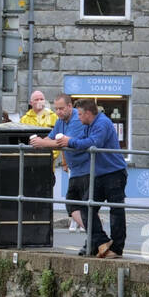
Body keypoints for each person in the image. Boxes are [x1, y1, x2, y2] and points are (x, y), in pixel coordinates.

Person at [52, 99, 127, 257]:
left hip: (114, 172)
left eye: (79, 114)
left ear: (87, 113)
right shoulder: (88, 126)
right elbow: (82, 140)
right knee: (86, 206)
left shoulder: (102, 124)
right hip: (99, 173)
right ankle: (101, 241)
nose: (77, 117)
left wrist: (69, 141)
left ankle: (117, 248)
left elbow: (94, 143)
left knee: (116, 211)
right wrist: (69, 142)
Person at [29, 95, 89, 241]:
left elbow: (63, 142)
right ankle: (94, 233)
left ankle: (96, 234)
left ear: (70, 106)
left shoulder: (77, 120)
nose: (58, 112)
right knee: (73, 203)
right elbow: (51, 137)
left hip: (88, 167)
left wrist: (42, 144)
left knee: (86, 203)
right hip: (75, 169)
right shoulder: (60, 121)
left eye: (61, 108)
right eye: (56, 109)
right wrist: (38, 142)